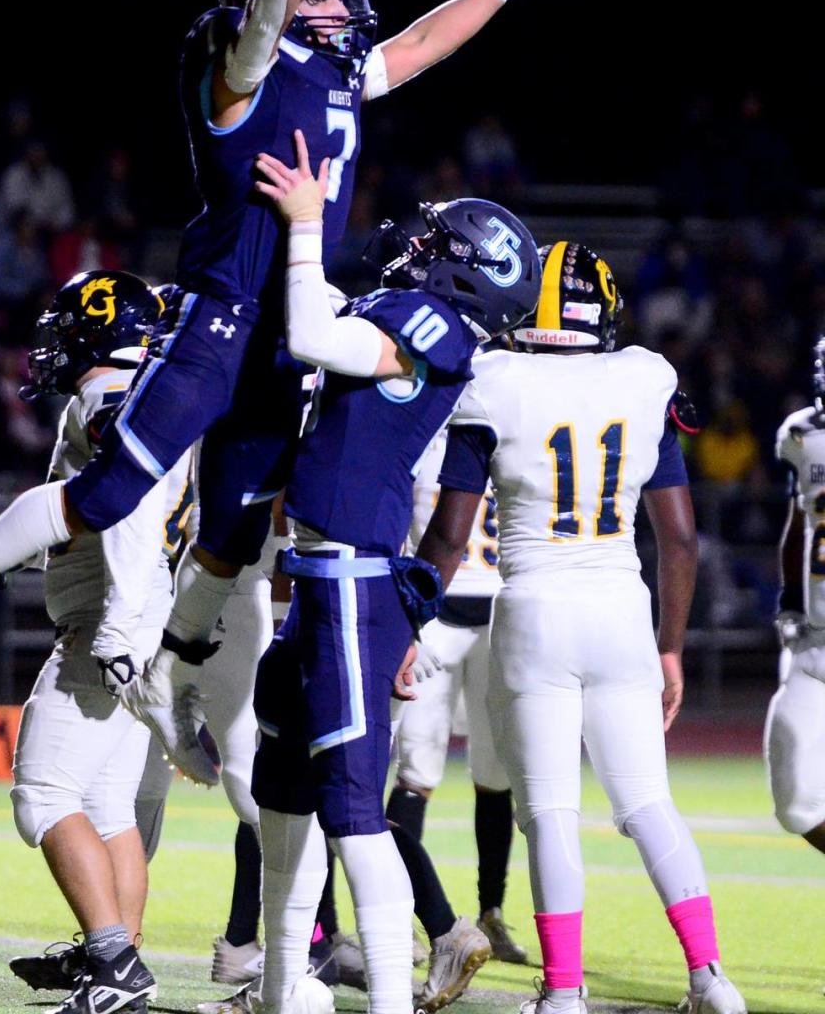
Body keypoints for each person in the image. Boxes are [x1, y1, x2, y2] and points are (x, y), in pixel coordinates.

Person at [0, 0, 588, 777]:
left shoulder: (335, 70)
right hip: (220, 312)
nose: (345, 3)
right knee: (108, 494)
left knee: (232, 535)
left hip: (284, 324)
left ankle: (169, 678)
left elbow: (417, 46)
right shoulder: (232, 56)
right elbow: (257, 39)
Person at [247, 131, 542, 1014]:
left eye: (438, 245)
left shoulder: (436, 329)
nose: (416, 248)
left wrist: (304, 225)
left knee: (353, 811)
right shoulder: (411, 317)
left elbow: (308, 329)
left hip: (349, 583)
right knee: (284, 801)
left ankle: (384, 999)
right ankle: (277, 983)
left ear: (465, 274)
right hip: (321, 579)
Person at [417, 242, 746, 1014]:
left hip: (534, 611)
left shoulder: (493, 382)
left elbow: (449, 535)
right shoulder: (641, 377)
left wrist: (410, 621)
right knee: (646, 804)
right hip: (621, 609)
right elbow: (680, 537)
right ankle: (710, 978)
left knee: (551, 814)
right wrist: (670, 645)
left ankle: (564, 991)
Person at [0, 270, 194, 1014]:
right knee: (110, 806)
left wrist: (116, 621)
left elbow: (131, 508)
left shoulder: (107, 393)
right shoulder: (166, 392)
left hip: (114, 621)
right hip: (149, 615)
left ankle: (114, 962)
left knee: (42, 794)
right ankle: (117, 968)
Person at [388, 420, 527, 966]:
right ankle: (401, 915)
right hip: (439, 618)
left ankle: (491, 911)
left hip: (494, 616)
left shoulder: (448, 433)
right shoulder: (438, 432)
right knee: (416, 773)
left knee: (494, 777)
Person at [764, 339, 825, 870]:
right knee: (797, 802)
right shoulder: (803, 435)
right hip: (815, 642)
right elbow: (798, 521)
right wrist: (788, 600)